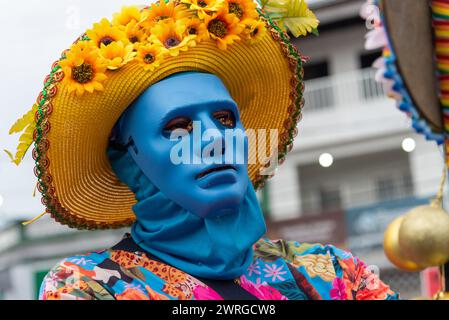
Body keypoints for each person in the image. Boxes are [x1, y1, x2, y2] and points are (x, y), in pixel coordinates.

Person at [9, 0, 398, 300]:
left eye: (226, 120)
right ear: (129, 162)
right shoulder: (92, 288)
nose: (215, 139)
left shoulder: (332, 272)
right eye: (178, 128)